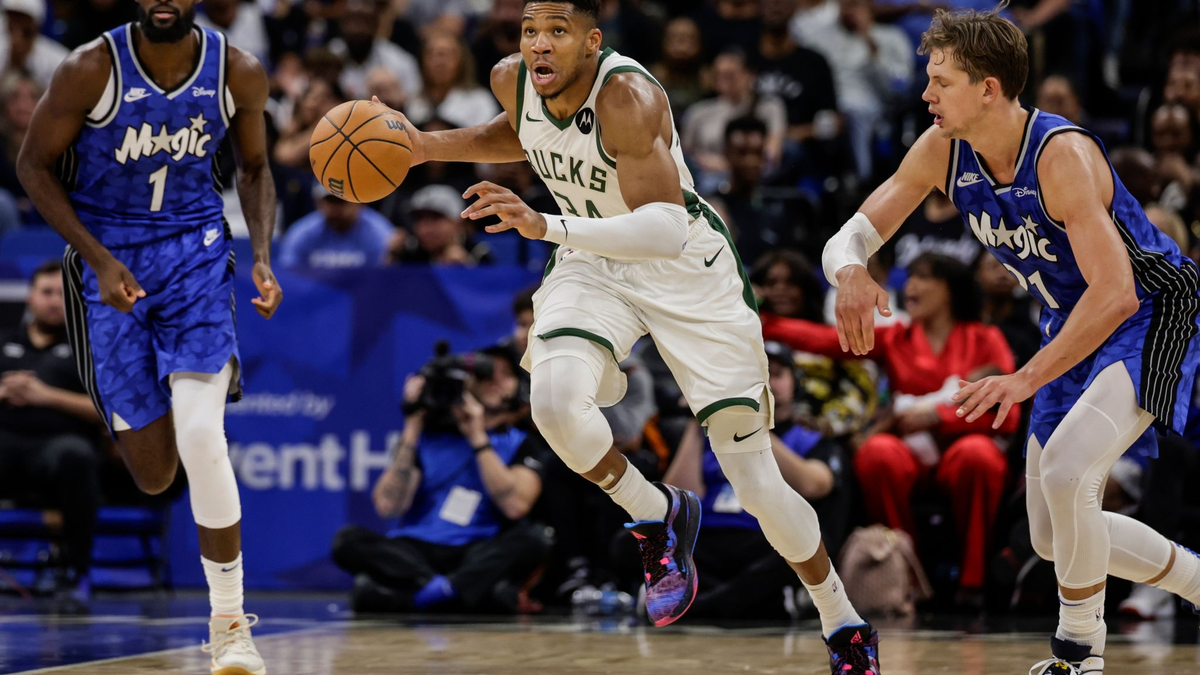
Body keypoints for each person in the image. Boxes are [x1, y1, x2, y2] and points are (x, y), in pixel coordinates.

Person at [372, 2, 880, 671]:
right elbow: (525, 134)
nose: (539, 45)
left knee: (756, 483)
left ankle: (840, 617)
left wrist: (544, 224)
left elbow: (664, 226)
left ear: (591, 41)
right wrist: (426, 146)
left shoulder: (628, 95)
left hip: (683, 267)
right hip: (594, 261)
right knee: (552, 402)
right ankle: (656, 513)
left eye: (557, 31)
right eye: (530, 31)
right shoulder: (511, 79)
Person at [822, 6, 1200, 674]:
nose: (926, 94)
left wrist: (1024, 376)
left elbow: (1116, 292)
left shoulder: (1062, 156)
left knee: (1068, 473)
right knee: (1055, 536)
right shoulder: (943, 150)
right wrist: (851, 267)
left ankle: (1078, 654)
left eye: (941, 80)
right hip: (1073, 324)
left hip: (1154, 310)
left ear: (988, 89)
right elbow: (857, 227)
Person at [16, 0, 283, 671]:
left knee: (201, 433)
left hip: (195, 254)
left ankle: (229, 624)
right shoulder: (90, 68)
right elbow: (32, 167)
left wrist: (260, 256)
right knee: (155, 472)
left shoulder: (238, 70)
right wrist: (98, 258)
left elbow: (254, 169)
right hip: (113, 263)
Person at [764, 252, 1017, 606]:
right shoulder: (896, 336)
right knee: (877, 453)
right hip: (909, 449)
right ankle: (906, 571)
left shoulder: (985, 338)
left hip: (965, 442)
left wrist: (940, 419)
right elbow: (818, 339)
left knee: (976, 455)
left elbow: (1009, 411)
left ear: (949, 289)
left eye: (922, 277)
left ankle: (973, 583)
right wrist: (749, 318)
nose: (908, 285)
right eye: (909, 276)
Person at [332, 355, 552, 614]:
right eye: (485, 377)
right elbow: (388, 506)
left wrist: (477, 437)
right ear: (467, 385)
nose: (495, 383)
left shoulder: (519, 442)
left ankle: (416, 598)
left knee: (535, 538)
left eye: (505, 376)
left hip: (475, 549)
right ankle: (450, 592)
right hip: (415, 551)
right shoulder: (427, 437)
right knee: (346, 540)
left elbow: (515, 506)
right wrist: (412, 424)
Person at [659, 340, 849, 619]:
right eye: (758, 374)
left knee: (812, 547)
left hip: (763, 541)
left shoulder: (809, 439)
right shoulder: (710, 433)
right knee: (634, 542)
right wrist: (695, 420)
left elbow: (815, 484)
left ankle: (703, 605)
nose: (767, 382)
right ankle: (753, 602)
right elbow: (676, 497)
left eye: (778, 374)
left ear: (794, 384)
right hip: (707, 540)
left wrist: (752, 425)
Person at [0, 260, 102, 597]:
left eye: (63, 294)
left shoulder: (88, 350)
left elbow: (107, 413)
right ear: (30, 297)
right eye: (46, 292)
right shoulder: (4, 342)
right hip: (6, 445)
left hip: (57, 449)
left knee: (76, 455)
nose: (54, 301)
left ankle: (73, 570)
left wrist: (45, 397)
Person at [279, 184, 395, 269]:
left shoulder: (379, 232)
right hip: (315, 297)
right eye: (330, 201)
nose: (334, 209)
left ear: (360, 202)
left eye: (341, 201)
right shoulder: (303, 232)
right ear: (318, 202)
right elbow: (290, 274)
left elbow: (381, 277)